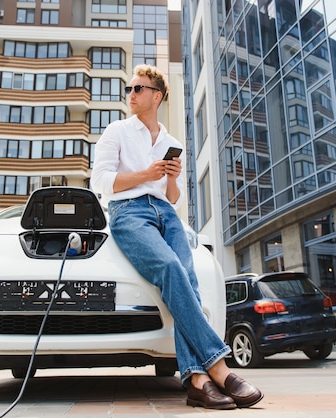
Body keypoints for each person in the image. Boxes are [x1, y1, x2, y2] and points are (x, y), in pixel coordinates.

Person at [91, 64, 264, 410]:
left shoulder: (172, 143)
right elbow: (101, 183)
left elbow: (173, 198)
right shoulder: (117, 131)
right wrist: (146, 173)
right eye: (129, 89)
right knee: (171, 268)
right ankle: (219, 367)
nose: (131, 94)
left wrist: (169, 177)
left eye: (138, 89)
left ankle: (197, 382)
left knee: (190, 280)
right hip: (129, 213)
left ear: (156, 96)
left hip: (165, 213)